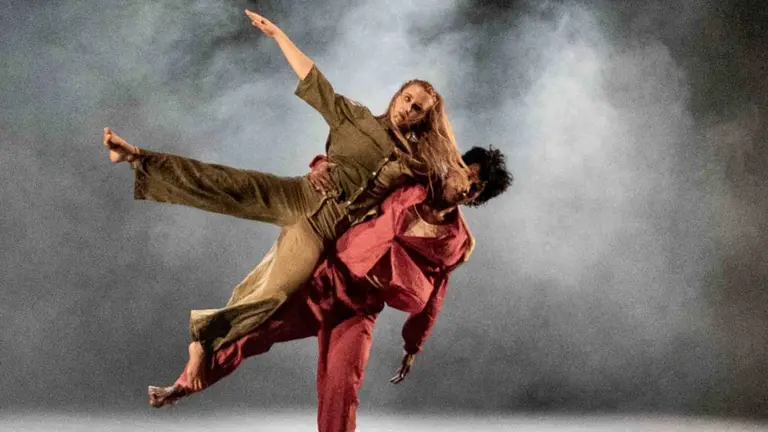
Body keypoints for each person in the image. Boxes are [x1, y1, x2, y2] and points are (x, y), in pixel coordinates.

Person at [103, 8, 471, 379]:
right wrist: (280, 36)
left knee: (276, 293)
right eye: (407, 98)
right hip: (298, 196)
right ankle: (137, 157)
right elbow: (314, 80)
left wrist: (453, 159)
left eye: (418, 108)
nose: (408, 108)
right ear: (396, 96)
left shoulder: (414, 163)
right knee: (225, 182)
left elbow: (454, 173)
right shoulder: (354, 117)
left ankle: (204, 339)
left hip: (320, 230)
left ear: (424, 119)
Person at [147, 146, 513, 432]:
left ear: (478, 198)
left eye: (477, 188)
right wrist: (321, 163)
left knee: (343, 387)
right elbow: (356, 166)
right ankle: (182, 386)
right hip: (328, 279)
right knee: (255, 330)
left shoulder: (459, 242)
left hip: (362, 308)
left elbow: (436, 294)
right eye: (468, 174)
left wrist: (412, 345)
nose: (467, 186)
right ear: (454, 165)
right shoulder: (411, 182)